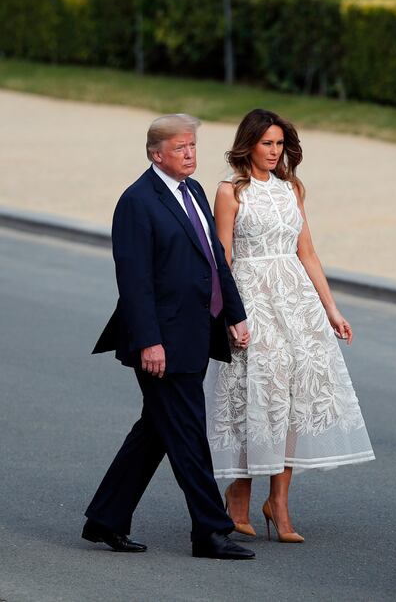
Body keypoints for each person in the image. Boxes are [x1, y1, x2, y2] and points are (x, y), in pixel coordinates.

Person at [82, 113, 255, 560]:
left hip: (196, 334)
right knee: (187, 432)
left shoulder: (194, 190)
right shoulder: (137, 202)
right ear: (156, 154)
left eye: (193, 146)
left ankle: (106, 518)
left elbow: (215, 257)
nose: (190, 154)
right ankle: (210, 532)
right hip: (161, 343)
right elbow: (134, 281)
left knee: (157, 430)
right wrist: (149, 342)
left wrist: (233, 314)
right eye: (181, 148)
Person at [204, 108, 375, 543]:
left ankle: (277, 503)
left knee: (294, 398)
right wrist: (229, 314)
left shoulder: (292, 189)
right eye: (267, 143)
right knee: (259, 394)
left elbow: (308, 252)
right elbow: (221, 258)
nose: (274, 151)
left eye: (280, 144)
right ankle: (239, 494)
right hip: (253, 301)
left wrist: (331, 309)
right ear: (249, 144)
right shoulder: (230, 191)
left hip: (296, 303)